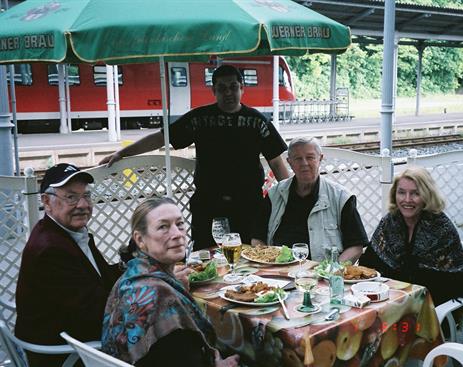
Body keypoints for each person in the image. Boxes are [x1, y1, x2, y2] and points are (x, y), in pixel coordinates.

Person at [99, 65, 289, 250]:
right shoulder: (199, 118)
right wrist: (122, 153)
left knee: (248, 254)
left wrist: (291, 195)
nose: (228, 93)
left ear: (242, 88)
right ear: (213, 90)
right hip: (208, 204)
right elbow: (161, 138)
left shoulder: (258, 121)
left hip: (248, 205)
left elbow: (276, 162)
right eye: (222, 88)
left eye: (233, 87)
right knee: (206, 257)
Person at [101, 197, 239, 367]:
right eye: (163, 227)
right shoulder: (159, 296)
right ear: (140, 239)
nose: (177, 234)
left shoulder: (133, 274)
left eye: (180, 224)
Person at [15, 163, 123, 367]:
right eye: (71, 197)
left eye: (87, 196)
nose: (83, 204)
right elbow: (98, 311)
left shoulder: (64, 233)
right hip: (64, 356)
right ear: (46, 202)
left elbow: (100, 278)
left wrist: (134, 265)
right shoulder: (51, 250)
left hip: (73, 338)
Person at [359, 166, 463, 308]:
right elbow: (369, 265)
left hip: (431, 303)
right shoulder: (389, 222)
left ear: (427, 195)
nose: (407, 200)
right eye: (401, 192)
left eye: (415, 193)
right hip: (388, 298)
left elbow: (452, 284)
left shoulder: (441, 228)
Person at [252, 137, 369, 262]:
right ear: (289, 162)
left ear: (320, 159)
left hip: (320, 274)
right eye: (298, 158)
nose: (304, 163)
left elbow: (356, 246)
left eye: (310, 157)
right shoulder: (274, 194)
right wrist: (266, 261)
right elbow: (257, 237)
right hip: (278, 270)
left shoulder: (341, 197)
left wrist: (332, 270)